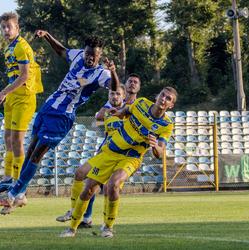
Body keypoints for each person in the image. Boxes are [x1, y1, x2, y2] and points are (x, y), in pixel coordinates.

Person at [0, 30, 120, 214]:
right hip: (48, 107)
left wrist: (113, 72)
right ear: (84, 51)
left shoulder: (101, 73)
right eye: (88, 53)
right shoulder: (78, 56)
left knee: (37, 154)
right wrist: (47, 35)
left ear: (100, 55)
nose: (90, 58)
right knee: (31, 149)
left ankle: (12, 194)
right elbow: (62, 51)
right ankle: (20, 195)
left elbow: (114, 88)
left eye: (94, 55)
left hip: (62, 116)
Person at [59, 86, 177, 238]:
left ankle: (108, 227)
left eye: (168, 99)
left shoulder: (166, 125)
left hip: (131, 157)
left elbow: (160, 153)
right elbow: (127, 110)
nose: (164, 99)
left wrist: (155, 146)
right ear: (157, 96)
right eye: (163, 95)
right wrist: (119, 113)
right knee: (88, 189)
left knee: (113, 185)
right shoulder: (141, 103)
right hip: (110, 151)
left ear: (171, 105)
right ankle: (72, 229)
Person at [56, 74, 141, 225]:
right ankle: (82, 215)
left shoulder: (139, 107)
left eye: (135, 82)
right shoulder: (113, 104)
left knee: (109, 187)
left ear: (138, 88)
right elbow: (99, 118)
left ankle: (105, 223)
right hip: (106, 150)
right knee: (87, 179)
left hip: (125, 155)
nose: (132, 84)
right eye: (130, 81)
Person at [0, 12, 43, 196]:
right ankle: (7, 179)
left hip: (24, 98)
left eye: (8, 26)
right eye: (3, 27)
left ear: (17, 28)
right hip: (13, 97)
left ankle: (18, 184)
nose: (5, 30)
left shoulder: (21, 47)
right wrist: (7, 93)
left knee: (18, 140)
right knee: (8, 139)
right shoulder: (8, 49)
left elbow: (25, 75)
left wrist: (3, 92)